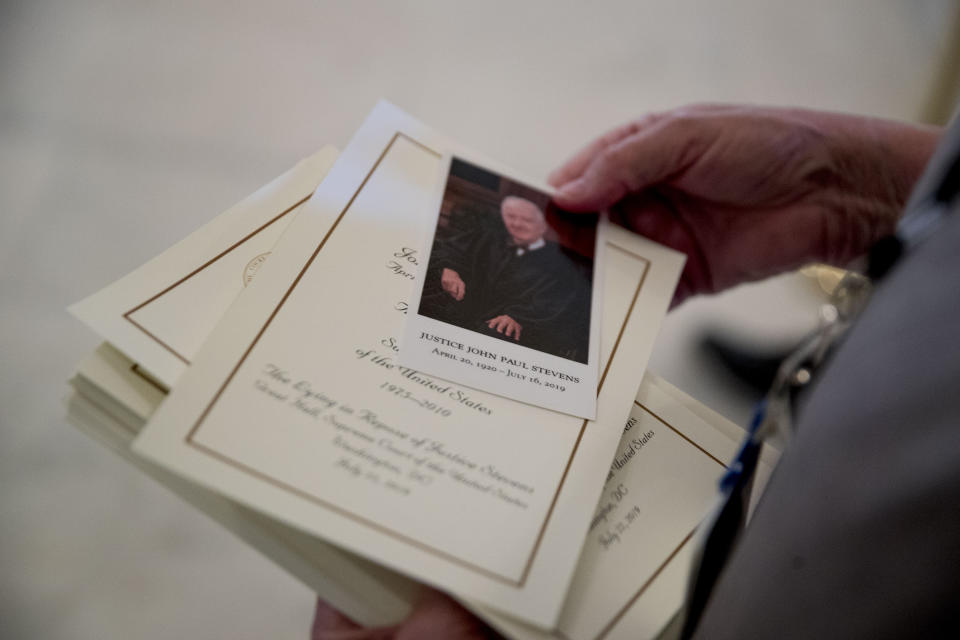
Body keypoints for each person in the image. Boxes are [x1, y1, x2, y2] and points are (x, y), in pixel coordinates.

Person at [313, 104, 958, 639]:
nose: (514, 221)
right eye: (509, 218)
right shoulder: (491, 244)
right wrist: (860, 181)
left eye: (521, 218)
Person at [420, 195, 591, 362]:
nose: (516, 224)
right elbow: (450, 249)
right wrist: (449, 269)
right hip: (466, 308)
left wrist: (519, 316)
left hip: (518, 327)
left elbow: (556, 302)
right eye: (511, 216)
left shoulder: (561, 261)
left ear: (544, 224)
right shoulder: (488, 238)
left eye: (526, 220)